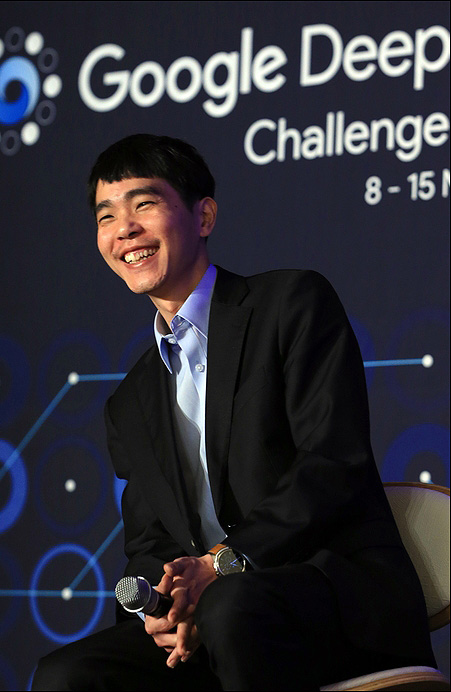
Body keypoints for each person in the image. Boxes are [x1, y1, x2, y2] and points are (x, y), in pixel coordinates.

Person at [32, 133, 436, 691]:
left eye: (144, 204)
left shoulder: (291, 304)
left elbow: (331, 464)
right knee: (66, 675)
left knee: (229, 609)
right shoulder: (129, 402)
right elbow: (149, 544)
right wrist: (160, 605)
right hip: (218, 618)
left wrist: (221, 564)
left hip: (331, 599)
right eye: (107, 216)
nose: (124, 229)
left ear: (204, 216)